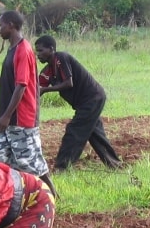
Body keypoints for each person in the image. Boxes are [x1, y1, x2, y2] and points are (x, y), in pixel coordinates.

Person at [0, 11, 56, 196]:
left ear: (11, 25)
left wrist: (6, 116)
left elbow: (22, 86)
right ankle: (10, 201)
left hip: (21, 118)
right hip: (9, 120)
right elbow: (15, 81)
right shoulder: (12, 49)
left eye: (1, 25)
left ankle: (53, 196)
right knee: (0, 162)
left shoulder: (23, 50)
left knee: (31, 164)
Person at [34, 35, 123, 171]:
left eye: (41, 51)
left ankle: (62, 167)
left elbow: (68, 83)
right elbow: (33, 86)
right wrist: (2, 80)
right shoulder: (47, 71)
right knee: (95, 135)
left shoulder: (61, 58)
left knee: (74, 130)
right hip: (84, 103)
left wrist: (46, 89)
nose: (38, 55)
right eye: (37, 52)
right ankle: (115, 165)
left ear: (51, 49)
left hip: (93, 98)